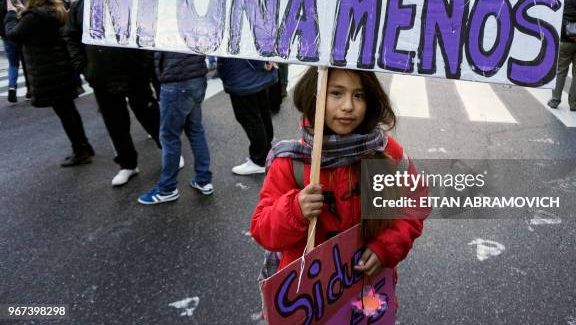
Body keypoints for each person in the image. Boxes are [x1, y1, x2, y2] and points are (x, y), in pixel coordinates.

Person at [251, 67, 426, 278]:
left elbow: (414, 202)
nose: (348, 106)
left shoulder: (385, 151)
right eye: (336, 93)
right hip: (308, 293)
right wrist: (294, 210)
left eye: (359, 95)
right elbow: (262, 230)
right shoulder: (291, 162)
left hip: (367, 289)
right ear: (315, 95)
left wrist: (386, 246)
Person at [65, 0, 166, 185]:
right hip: (101, 75)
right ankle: (127, 164)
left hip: (134, 72)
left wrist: (144, 64)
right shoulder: (81, 5)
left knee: (149, 115)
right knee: (115, 123)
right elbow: (71, 35)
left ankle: (169, 153)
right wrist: (84, 68)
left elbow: (146, 30)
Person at [4, 0, 93, 166]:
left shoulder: (34, 16)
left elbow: (14, 35)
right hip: (62, 68)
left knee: (65, 113)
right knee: (70, 110)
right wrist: (22, 11)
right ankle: (84, 146)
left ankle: (80, 151)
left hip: (48, 70)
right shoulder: (55, 10)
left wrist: (11, 14)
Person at [138, 51, 213, 204]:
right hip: (196, 76)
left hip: (176, 79)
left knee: (169, 137)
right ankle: (204, 180)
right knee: (195, 131)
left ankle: (167, 188)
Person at [217, 57, 278, 175]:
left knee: (251, 119)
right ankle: (266, 152)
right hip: (253, 73)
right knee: (261, 114)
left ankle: (259, 159)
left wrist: (262, 62)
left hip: (243, 75)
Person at [0, 0, 30, 102]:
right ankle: (30, 90)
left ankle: (12, 87)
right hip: (21, 34)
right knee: (27, 62)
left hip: (6, 35)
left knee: (13, 64)